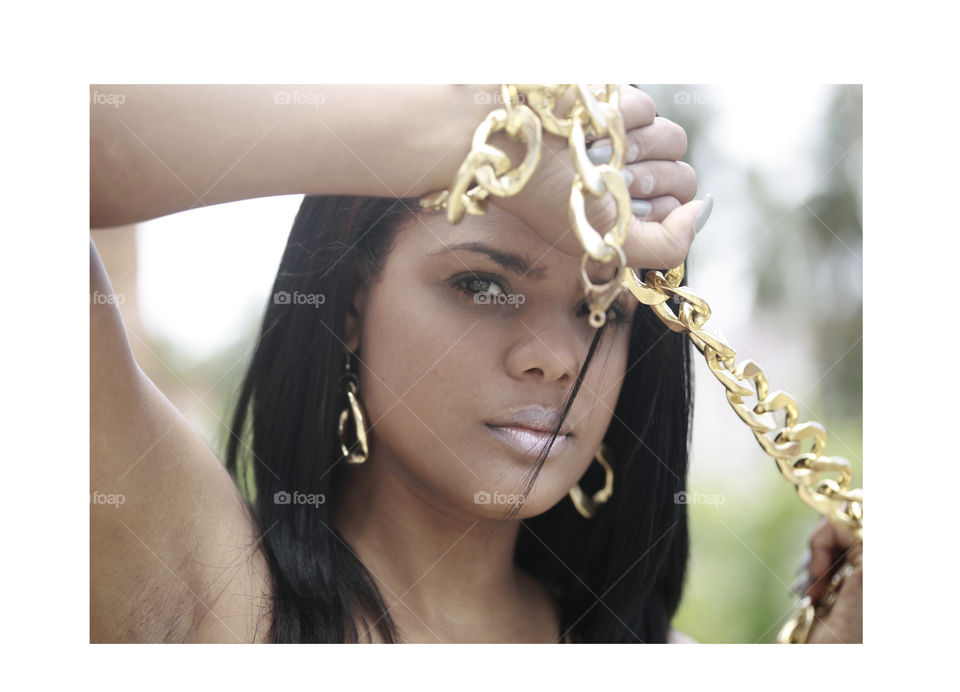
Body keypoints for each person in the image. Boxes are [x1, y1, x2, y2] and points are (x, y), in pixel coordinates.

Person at [90, 84, 861, 643]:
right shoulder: (199, 589)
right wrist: (482, 128)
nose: (555, 360)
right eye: (483, 284)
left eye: (603, 310)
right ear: (353, 304)